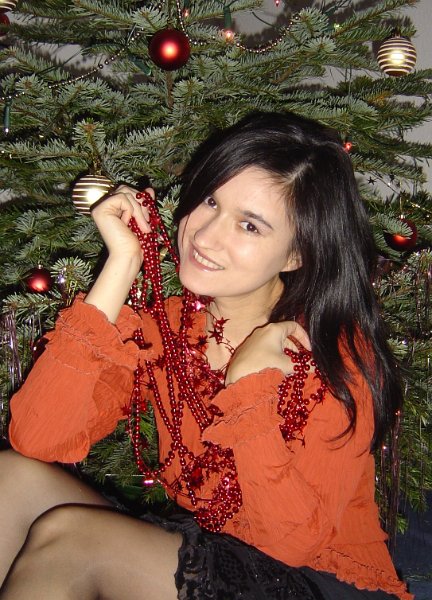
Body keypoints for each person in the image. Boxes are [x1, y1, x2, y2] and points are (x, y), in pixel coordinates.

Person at [0, 111, 412, 600]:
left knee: (74, 542)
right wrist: (122, 265)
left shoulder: (330, 351)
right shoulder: (170, 327)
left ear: (295, 255)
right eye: (211, 201)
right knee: (13, 478)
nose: (206, 236)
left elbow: (292, 543)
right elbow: (39, 438)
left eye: (249, 226)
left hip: (316, 580)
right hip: (210, 547)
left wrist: (250, 385)